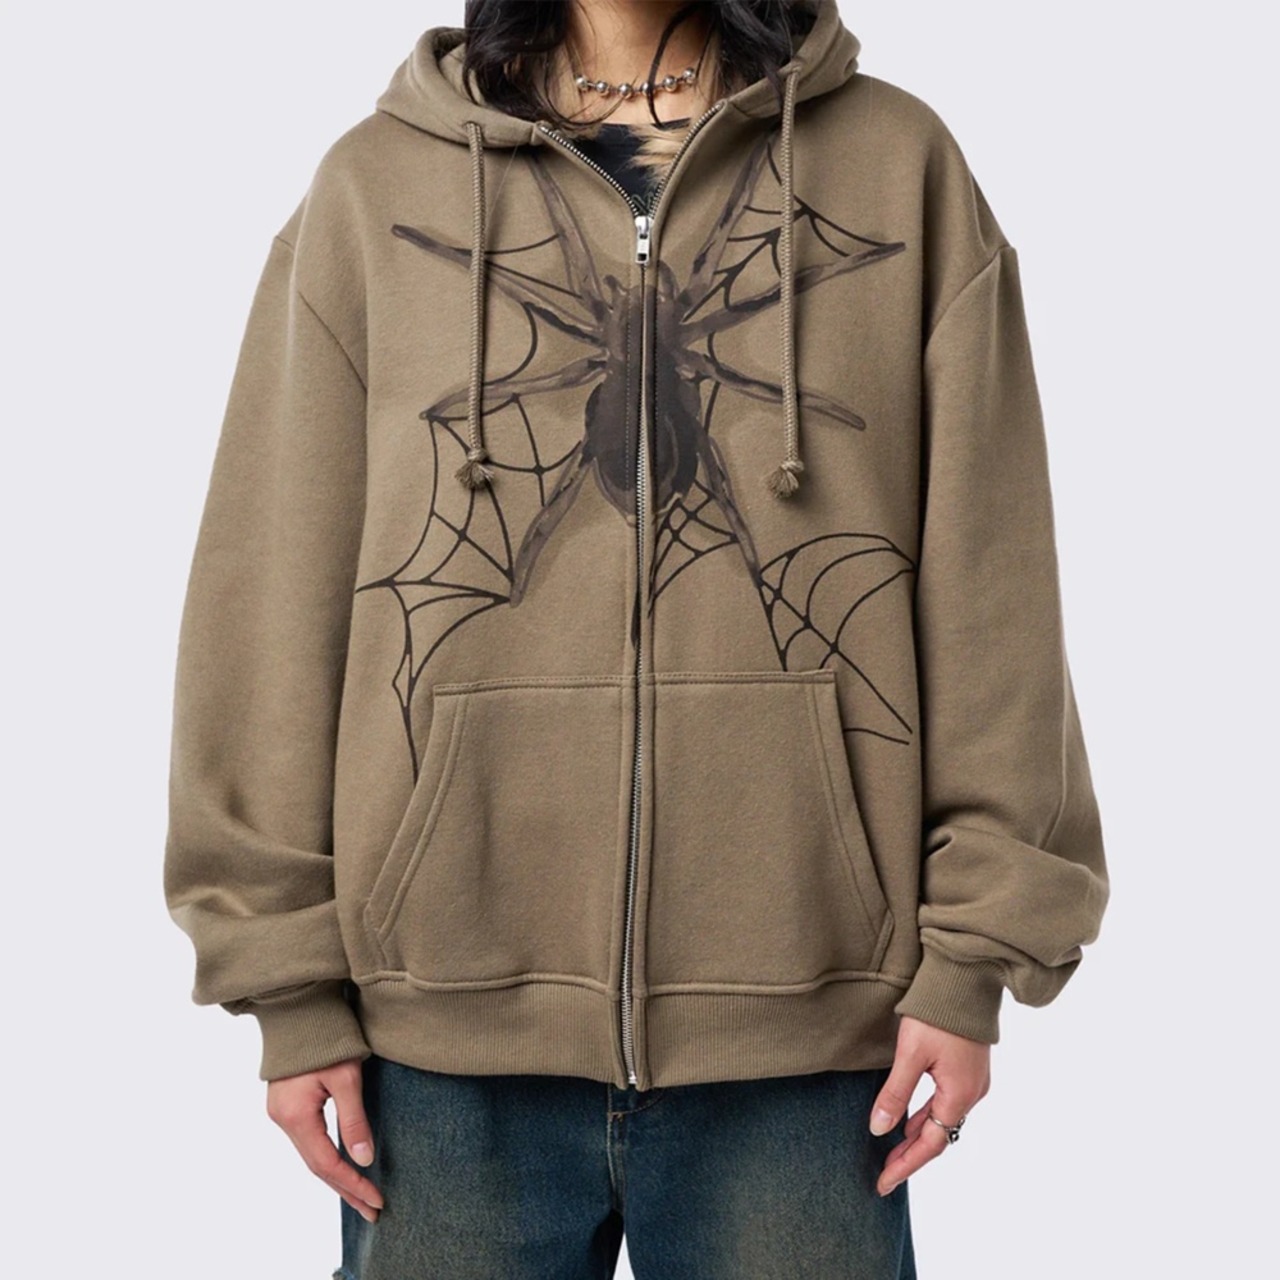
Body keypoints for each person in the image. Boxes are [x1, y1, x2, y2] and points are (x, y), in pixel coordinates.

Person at [163, 1, 1110, 1275]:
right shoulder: (376, 189)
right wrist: (284, 978)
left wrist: (973, 956)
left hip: (812, 1033)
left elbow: (991, 580)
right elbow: (273, 580)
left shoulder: (897, 167)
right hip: (438, 1044)